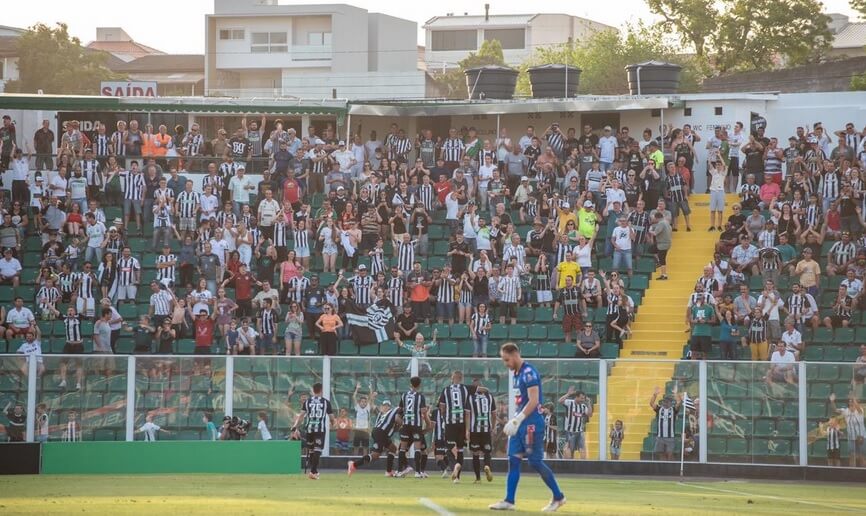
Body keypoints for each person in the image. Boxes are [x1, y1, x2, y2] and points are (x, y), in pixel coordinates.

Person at [489, 342, 565, 512]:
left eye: (507, 359)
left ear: (515, 355)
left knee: (535, 462)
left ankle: (559, 497)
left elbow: (534, 400)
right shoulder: (517, 373)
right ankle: (509, 500)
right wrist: (516, 420)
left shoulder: (529, 373)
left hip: (531, 424)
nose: (505, 363)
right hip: (520, 424)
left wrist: (517, 419)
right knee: (513, 460)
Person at [348, 398, 402, 477]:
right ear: (382, 407)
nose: (386, 407)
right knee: (375, 455)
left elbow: (395, 428)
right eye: (384, 406)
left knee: (393, 448)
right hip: (380, 433)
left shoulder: (390, 415)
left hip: (384, 434)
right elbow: (374, 407)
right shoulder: (383, 413)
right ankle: (353, 465)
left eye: (388, 406)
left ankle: (388, 471)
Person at [291, 383, 335, 480]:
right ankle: (313, 471)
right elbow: (331, 417)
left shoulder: (307, 402)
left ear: (313, 390)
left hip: (309, 429)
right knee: (317, 450)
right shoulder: (326, 402)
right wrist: (333, 424)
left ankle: (314, 471)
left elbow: (301, 416)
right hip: (320, 429)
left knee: (311, 450)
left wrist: (295, 426)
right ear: (321, 390)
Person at [395, 376, 429, 479]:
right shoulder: (420, 396)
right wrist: (428, 423)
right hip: (416, 425)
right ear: (419, 385)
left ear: (410, 384)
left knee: (403, 448)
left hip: (406, 424)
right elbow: (423, 412)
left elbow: (399, 411)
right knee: (417, 448)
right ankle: (417, 472)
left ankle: (400, 471)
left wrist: (402, 423)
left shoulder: (404, 395)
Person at [467, 382, 496, 483]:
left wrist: (467, 430)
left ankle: (478, 478)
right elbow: (494, 414)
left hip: (475, 429)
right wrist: (492, 427)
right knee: (487, 452)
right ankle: (487, 465)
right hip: (486, 429)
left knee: (475, 453)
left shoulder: (470, 398)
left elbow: (467, 414)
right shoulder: (489, 397)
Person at [829, 393, 865, 468]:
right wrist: (832, 401)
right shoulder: (845, 411)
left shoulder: (860, 410)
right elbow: (835, 410)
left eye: (852, 401)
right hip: (851, 437)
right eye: (850, 401)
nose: (851, 402)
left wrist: (853, 397)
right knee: (852, 456)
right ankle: (852, 472)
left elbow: (857, 406)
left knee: (862, 456)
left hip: (861, 437)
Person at [559, 386, 592, 459]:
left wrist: (589, 403)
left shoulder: (583, 406)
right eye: (581, 398)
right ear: (576, 397)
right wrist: (568, 394)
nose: (582, 400)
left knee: (582, 450)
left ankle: (583, 466)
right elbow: (560, 401)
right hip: (570, 431)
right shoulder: (569, 403)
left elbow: (589, 414)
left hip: (580, 431)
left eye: (584, 398)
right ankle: (570, 466)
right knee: (570, 450)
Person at [649, 386, 681, 461]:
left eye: (667, 401)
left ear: (670, 403)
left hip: (670, 437)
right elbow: (651, 403)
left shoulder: (673, 409)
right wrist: (655, 394)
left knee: (670, 455)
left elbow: (679, 402)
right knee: (661, 455)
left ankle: (671, 469)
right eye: (664, 401)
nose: (665, 403)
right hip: (660, 436)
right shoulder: (659, 409)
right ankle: (663, 469)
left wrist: (676, 394)